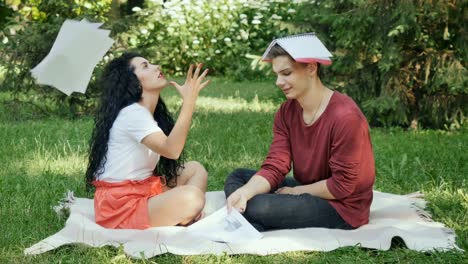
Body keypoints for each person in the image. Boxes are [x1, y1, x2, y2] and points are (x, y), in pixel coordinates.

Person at [225, 34, 375, 231]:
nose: (279, 82)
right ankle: (252, 217)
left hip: (341, 205)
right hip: (307, 186)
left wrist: (296, 192)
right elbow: (276, 165)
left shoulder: (345, 116)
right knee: (240, 179)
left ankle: (252, 217)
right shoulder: (287, 112)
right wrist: (246, 192)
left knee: (259, 205)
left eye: (286, 73)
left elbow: (342, 186)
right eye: (276, 74)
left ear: (311, 68)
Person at [85, 52, 210, 229]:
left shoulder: (146, 113)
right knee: (193, 197)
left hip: (144, 189)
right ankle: (184, 215)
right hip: (121, 206)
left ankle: (184, 215)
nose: (156, 67)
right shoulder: (132, 114)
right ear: (131, 81)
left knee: (195, 169)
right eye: (145, 66)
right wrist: (189, 101)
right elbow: (172, 150)